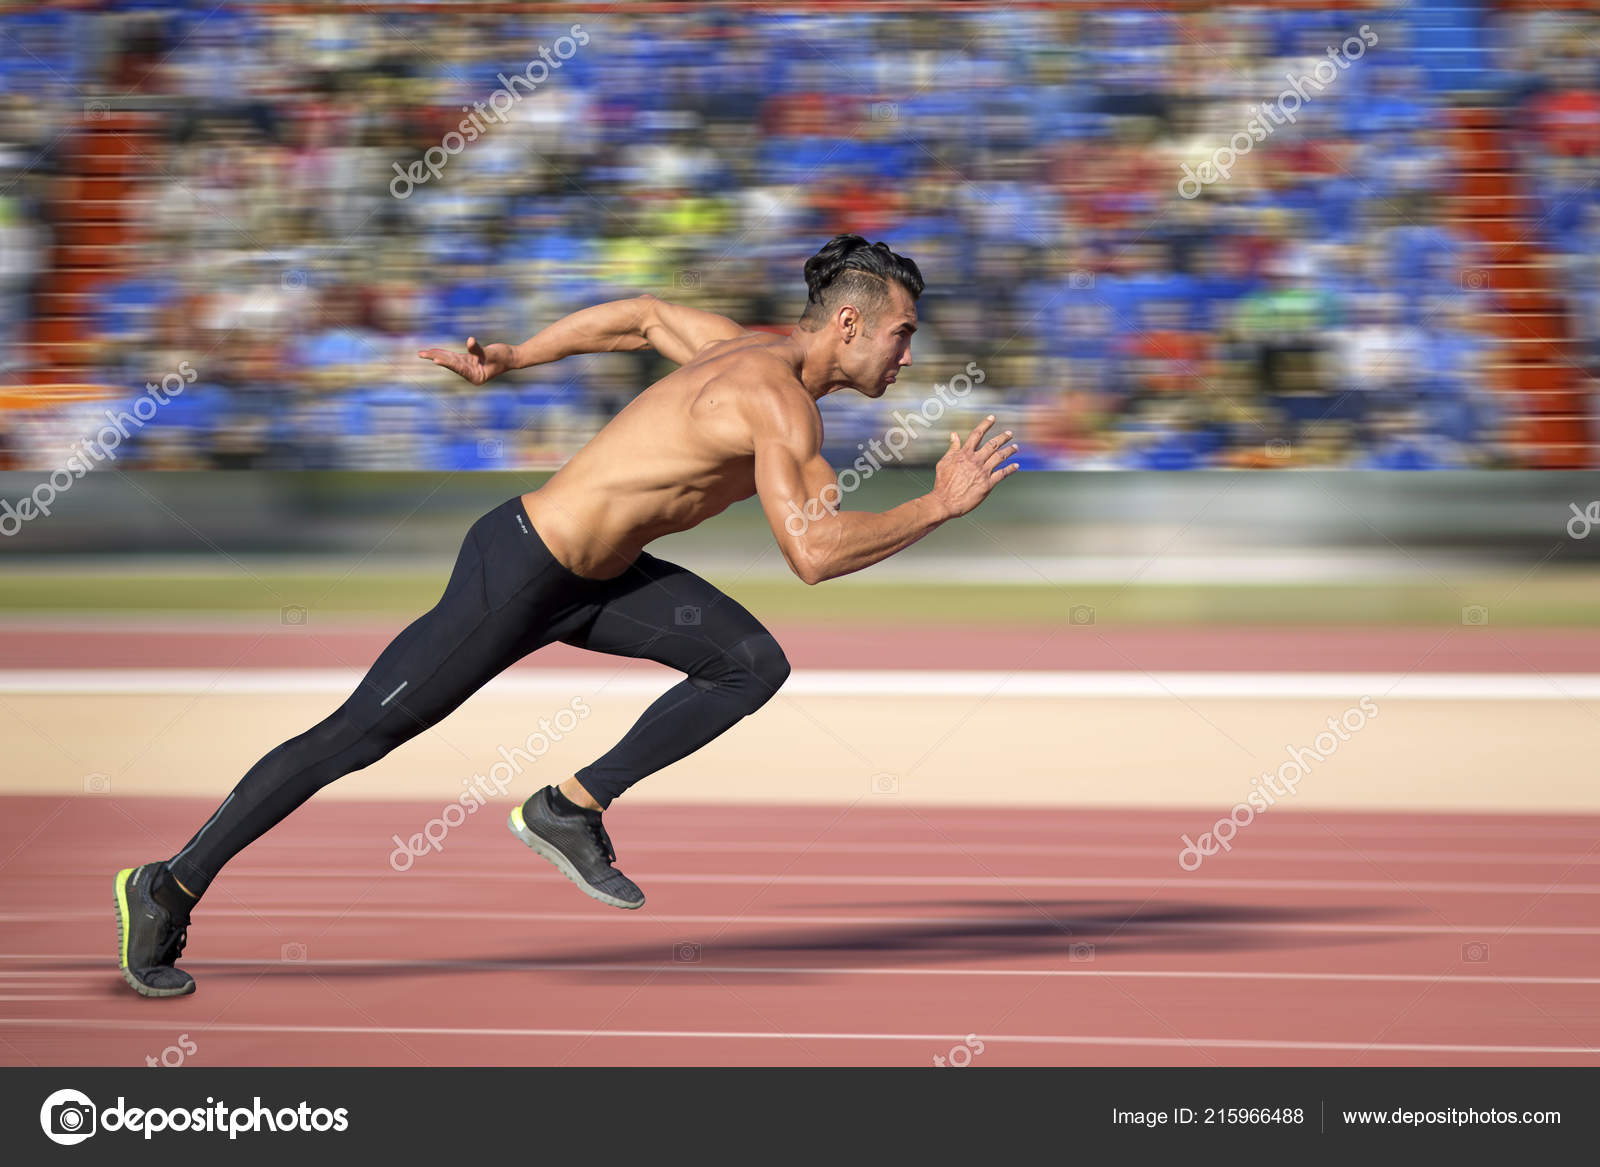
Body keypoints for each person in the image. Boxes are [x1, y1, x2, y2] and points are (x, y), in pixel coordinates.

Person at [114, 234, 1020, 997]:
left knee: (751, 662)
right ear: (850, 323)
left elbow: (639, 315)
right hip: (521, 569)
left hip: (600, 578)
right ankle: (170, 882)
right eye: (902, 335)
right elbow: (815, 554)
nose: (908, 357)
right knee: (358, 733)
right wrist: (938, 505)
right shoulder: (773, 399)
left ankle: (568, 806)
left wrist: (515, 356)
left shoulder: (738, 349)